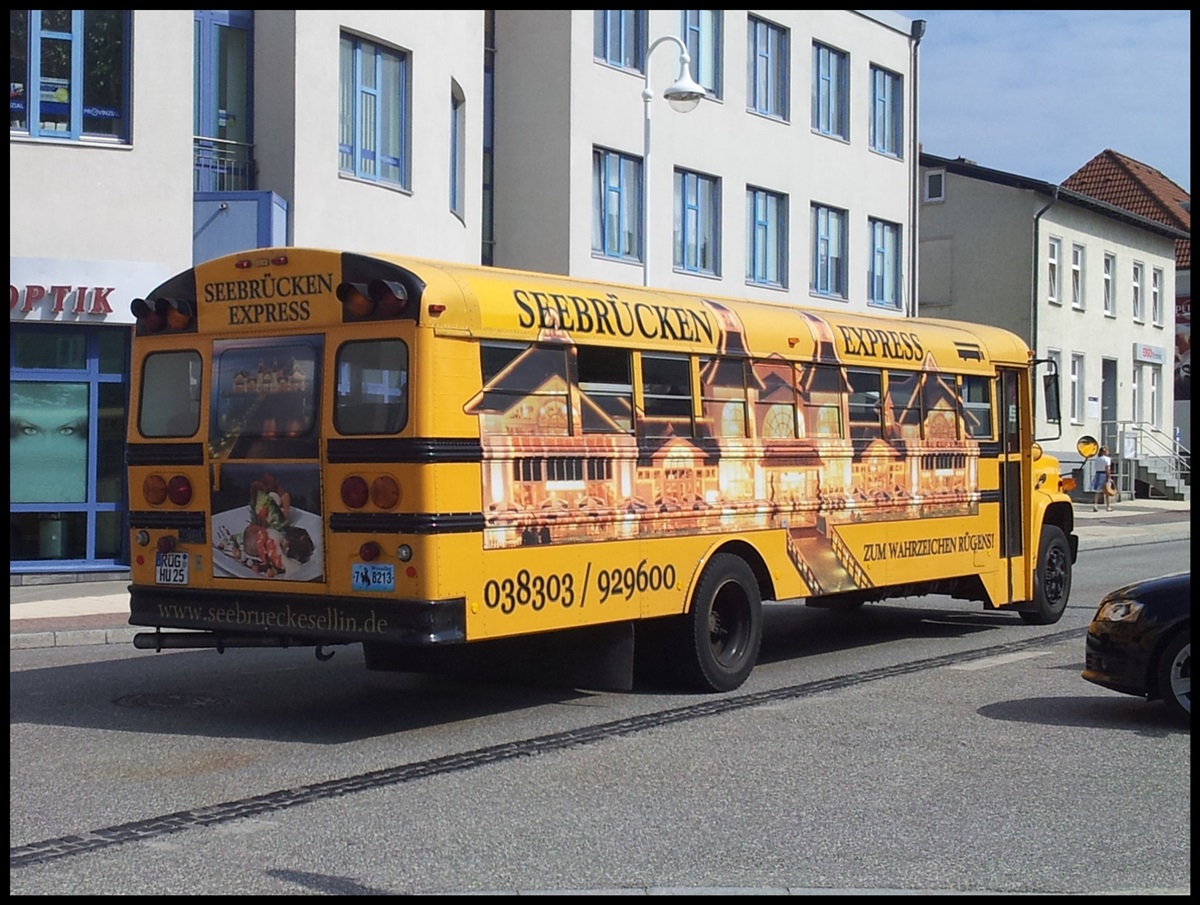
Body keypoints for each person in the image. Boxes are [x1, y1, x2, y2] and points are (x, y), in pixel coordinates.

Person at [1091, 445, 1113, 512]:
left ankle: (1095, 505)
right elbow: (1107, 469)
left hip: (1097, 474)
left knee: (1097, 491)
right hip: (1104, 474)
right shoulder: (1107, 459)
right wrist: (1109, 477)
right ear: (1105, 452)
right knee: (1107, 491)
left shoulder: (1097, 459)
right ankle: (1108, 506)